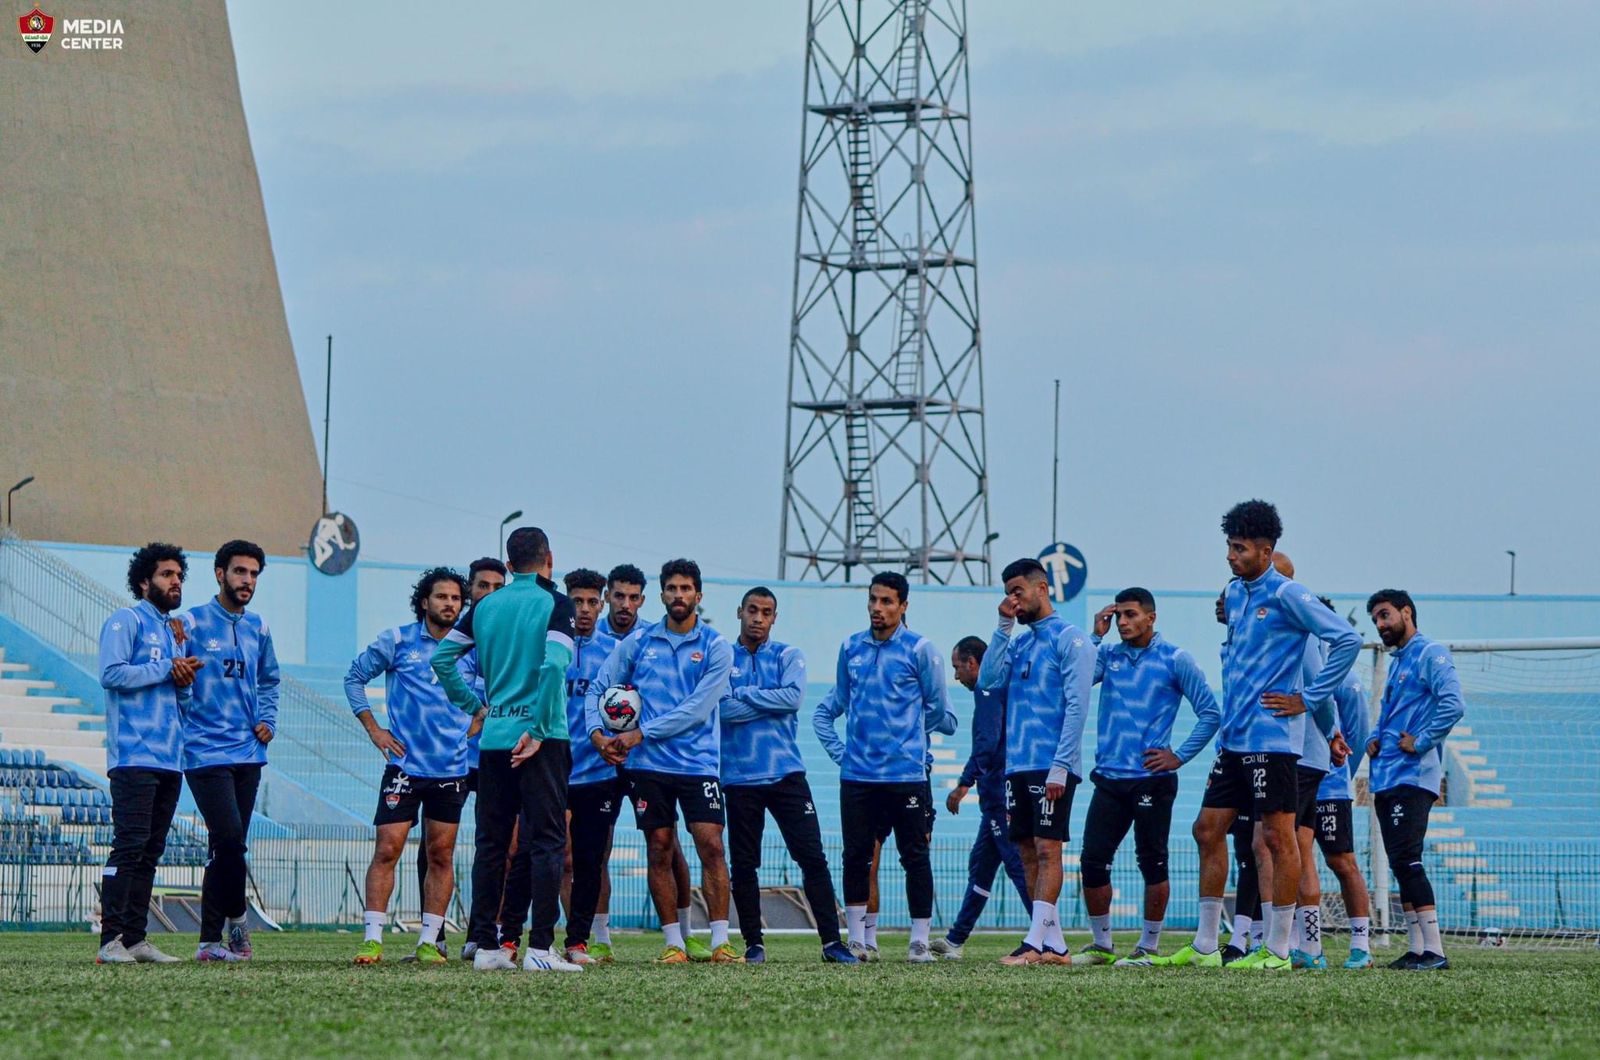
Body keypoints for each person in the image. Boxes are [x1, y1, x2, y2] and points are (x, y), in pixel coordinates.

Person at [1153, 501, 1360, 971]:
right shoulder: (1234, 593)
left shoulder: (1289, 594)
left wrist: (1309, 698)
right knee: (1207, 830)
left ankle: (1279, 951)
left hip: (1272, 739)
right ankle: (1206, 946)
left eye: (1240, 548)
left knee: (1278, 839)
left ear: (1266, 552)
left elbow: (1346, 639)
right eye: (1229, 546)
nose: (1231, 555)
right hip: (1234, 737)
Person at [434, 527, 580, 973]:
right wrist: (537, 728)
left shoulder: (485, 605)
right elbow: (554, 665)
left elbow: (442, 659)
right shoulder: (556, 603)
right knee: (547, 841)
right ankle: (540, 948)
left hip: (495, 739)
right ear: (549, 559)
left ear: (510, 564)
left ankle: (485, 945)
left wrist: (476, 707)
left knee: (492, 844)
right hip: (542, 741)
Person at [585, 559, 740, 963]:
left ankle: (720, 941)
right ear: (662, 595)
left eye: (686, 588)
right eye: (672, 588)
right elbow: (598, 688)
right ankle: (674, 943)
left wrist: (641, 732)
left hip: (698, 765)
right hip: (649, 767)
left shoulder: (716, 646)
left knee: (711, 845)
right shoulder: (639, 642)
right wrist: (597, 734)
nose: (678, 595)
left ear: (698, 595)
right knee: (659, 847)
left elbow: (698, 708)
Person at [814, 571, 956, 964]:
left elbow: (937, 709)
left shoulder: (920, 649)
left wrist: (907, 743)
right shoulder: (850, 648)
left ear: (903, 606)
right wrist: (842, 754)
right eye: (873, 600)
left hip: (906, 776)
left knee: (915, 858)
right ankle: (858, 940)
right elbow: (839, 703)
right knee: (856, 857)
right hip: (857, 777)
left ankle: (919, 942)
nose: (878, 608)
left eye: (887, 601)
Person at [1079, 588, 1221, 966]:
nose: (1122, 622)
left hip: (1150, 780)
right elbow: (1075, 681)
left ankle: (1148, 945)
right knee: (1092, 861)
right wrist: (1095, 636)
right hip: (1109, 778)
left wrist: (1179, 756)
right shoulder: (1108, 655)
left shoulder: (1175, 659)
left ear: (1151, 617)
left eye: (1130, 614)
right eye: (1118, 615)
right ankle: (1102, 944)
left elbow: (1210, 713)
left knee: (1152, 861)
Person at [345, 568, 474, 965]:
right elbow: (354, 677)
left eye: (455, 598)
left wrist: (475, 725)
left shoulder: (472, 649)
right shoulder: (397, 640)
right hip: (404, 767)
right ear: (424, 602)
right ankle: (372, 940)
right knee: (387, 848)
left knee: (441, 854)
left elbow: (495, 691)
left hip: (450, 770)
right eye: (441, 597)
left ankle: (428, 942)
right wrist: (375, 730)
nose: (449, 604)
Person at [720, 587, 856, 964]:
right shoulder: (722, 657)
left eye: (766, 612)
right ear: (739, 612)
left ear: (774, 618)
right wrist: (769, 699)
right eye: (752, 610)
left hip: (786, 774)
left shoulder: (788, 655)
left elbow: (793, 699)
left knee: (812, 858)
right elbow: (721, 710)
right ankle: (754, 944)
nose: (758, 618)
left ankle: (831, 942)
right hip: (740, 778)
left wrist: (745, 694)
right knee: (744, 865)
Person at [978, 558, 1095, 966]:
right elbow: (987, 681)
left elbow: (1078, 706)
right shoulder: (1021, 643)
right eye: (1007, 593)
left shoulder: (1070, 639)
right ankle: (1054, 946)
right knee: (1027, 851)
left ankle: (1033, 943)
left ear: (1041, 588)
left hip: (1052, 764)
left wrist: (1061, 765)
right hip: (1018, 765)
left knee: (1048, 849)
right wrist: (1002, 626)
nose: (1013, 599)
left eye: (1018, 591)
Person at [95, 543, 202, 965]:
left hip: (169, 759)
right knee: (129, 846)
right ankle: (110, 940)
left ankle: (136, 939)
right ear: (144, 581)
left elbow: (181, 700)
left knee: (151, 851)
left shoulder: (175, 633)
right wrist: (166, 669)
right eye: (166, 574)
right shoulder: (127, 620)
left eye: (179, 575)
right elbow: (111, 673)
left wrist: (184, 682)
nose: (176, 582)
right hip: (133, 756)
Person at [180, 539, 279, 962]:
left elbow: (270, 680)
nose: (247, 580)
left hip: (249, 752)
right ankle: (237, 921)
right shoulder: (190, 623)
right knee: (230, 839)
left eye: (254, 574)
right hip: (204, 750)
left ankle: (208, 943)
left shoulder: (259, 627)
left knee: (224, 848)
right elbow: (173, 675)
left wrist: (268, 720)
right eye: (240, 571)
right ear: (220, 573)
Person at [1367, 589, 1464, 971]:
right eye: (1376, 619)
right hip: (1387, 775)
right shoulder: (1399, 662)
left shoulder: (1430, 653)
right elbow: (1391, 713)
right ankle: (1417, 948)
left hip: (1412, 776)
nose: (1380, 624)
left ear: (1406, 612)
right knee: (1399, 862)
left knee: (1408, 860)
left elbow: (1453, 704)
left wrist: (1421, 741)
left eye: (1385, 615)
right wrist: (1375, 737)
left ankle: (1435, 951)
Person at [931, 636, 1030, 960]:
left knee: (1017, 865)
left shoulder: (988, 690)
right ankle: (955, 940)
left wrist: (964, 783)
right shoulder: (999, 688)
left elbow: (987, 742)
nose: (956, 675)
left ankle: (1045, 937)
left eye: (957, 667)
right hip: (995, 798)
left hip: (1001, 795)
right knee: (981, 867)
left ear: (972, 663)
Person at [425, 556, 502, 963]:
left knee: (495, 845)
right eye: (482, 586)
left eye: (497, 587)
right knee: (436, 847)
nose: (489, 593)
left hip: (494, 755)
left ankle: (481, 934)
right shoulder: (452, 636)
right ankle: (433, 936)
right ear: (470, 590)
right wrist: (472, 713)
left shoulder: (506, 634)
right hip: (452, 757)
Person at [558, 567, 625, 964]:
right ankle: (534, 935)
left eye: (590, 602)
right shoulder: (552, 647)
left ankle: (582, 940)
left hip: (600, 771)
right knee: (557, 857)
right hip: (554, 768)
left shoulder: (616, 652)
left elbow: (629, 703)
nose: (583, 609)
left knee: (591, 859)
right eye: (576, 602)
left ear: (601, 605)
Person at [1313, 661, 1374, 969]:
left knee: (1342, 861)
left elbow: (1358, 734)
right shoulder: (1291, 664)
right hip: (1292, 782)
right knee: (1292, 860)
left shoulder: (1345, 677)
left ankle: (1361, 946)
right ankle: (1306, 945)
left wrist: (1340, 774)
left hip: (1329, 788)